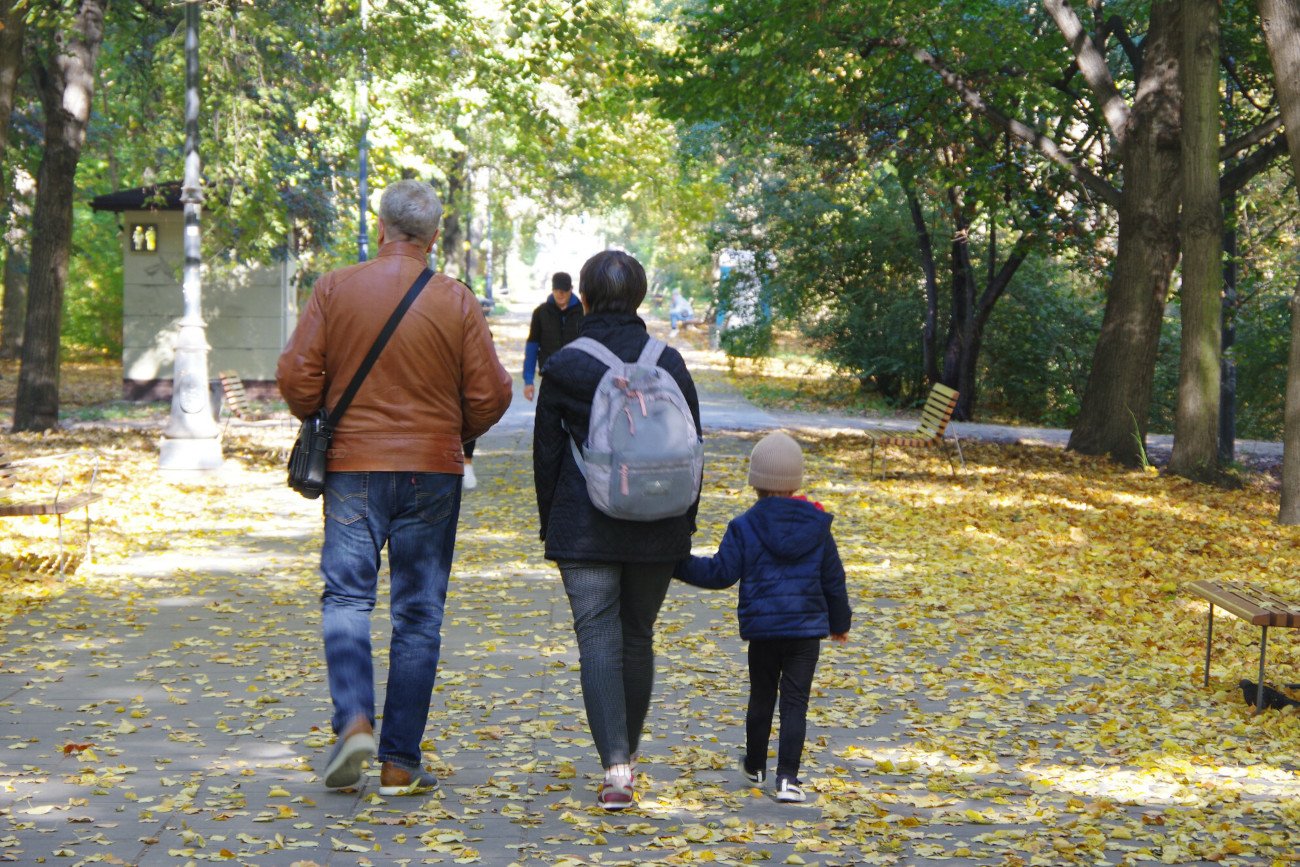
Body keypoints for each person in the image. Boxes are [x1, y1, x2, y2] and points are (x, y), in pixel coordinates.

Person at [277, 179, 513, 796]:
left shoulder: (334, 288)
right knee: (417, 615)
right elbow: (490, 395)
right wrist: (448, 432)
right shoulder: (457, 301)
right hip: (432, 473)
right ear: (434, 239)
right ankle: (399, 763)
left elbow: (297, 376)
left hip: (352, 468)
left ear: (381, 228)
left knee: (347, 599)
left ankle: (353, 720)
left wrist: (321, 414)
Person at [533, 250, 702, 810]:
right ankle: (627, 749)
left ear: (582, 296)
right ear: (641, 297)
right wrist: (686, 525)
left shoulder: (566, 364)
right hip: (659, 523)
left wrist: (550, 527)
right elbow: (694, 446)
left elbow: (547, 454)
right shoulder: (669, 361)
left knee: (598, 637)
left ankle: (616, 768)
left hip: (585, 526)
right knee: (637, 634)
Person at [674, 432, 851, 803]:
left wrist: (676, 563)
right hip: (805, 633)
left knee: (762, 697)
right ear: (796, 481)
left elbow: (720, 573)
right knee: (795, 703)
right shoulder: (817, 527)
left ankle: (755, 766)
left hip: (765, 630)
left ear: (755, 482)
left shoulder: (745, 526)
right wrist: (840, 623)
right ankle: (788, 780)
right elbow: (833, 578)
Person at [523, 272, 584, 402]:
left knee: (574, 420)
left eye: (564, 291)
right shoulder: (540, 313)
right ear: (552, 290)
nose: (560, 294)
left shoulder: (583, 312)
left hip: (577, 376)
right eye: (557, 290)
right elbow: (532, 346)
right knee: (548, 419)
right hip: (550, 376)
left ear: (571, 290)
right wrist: (528, 381)